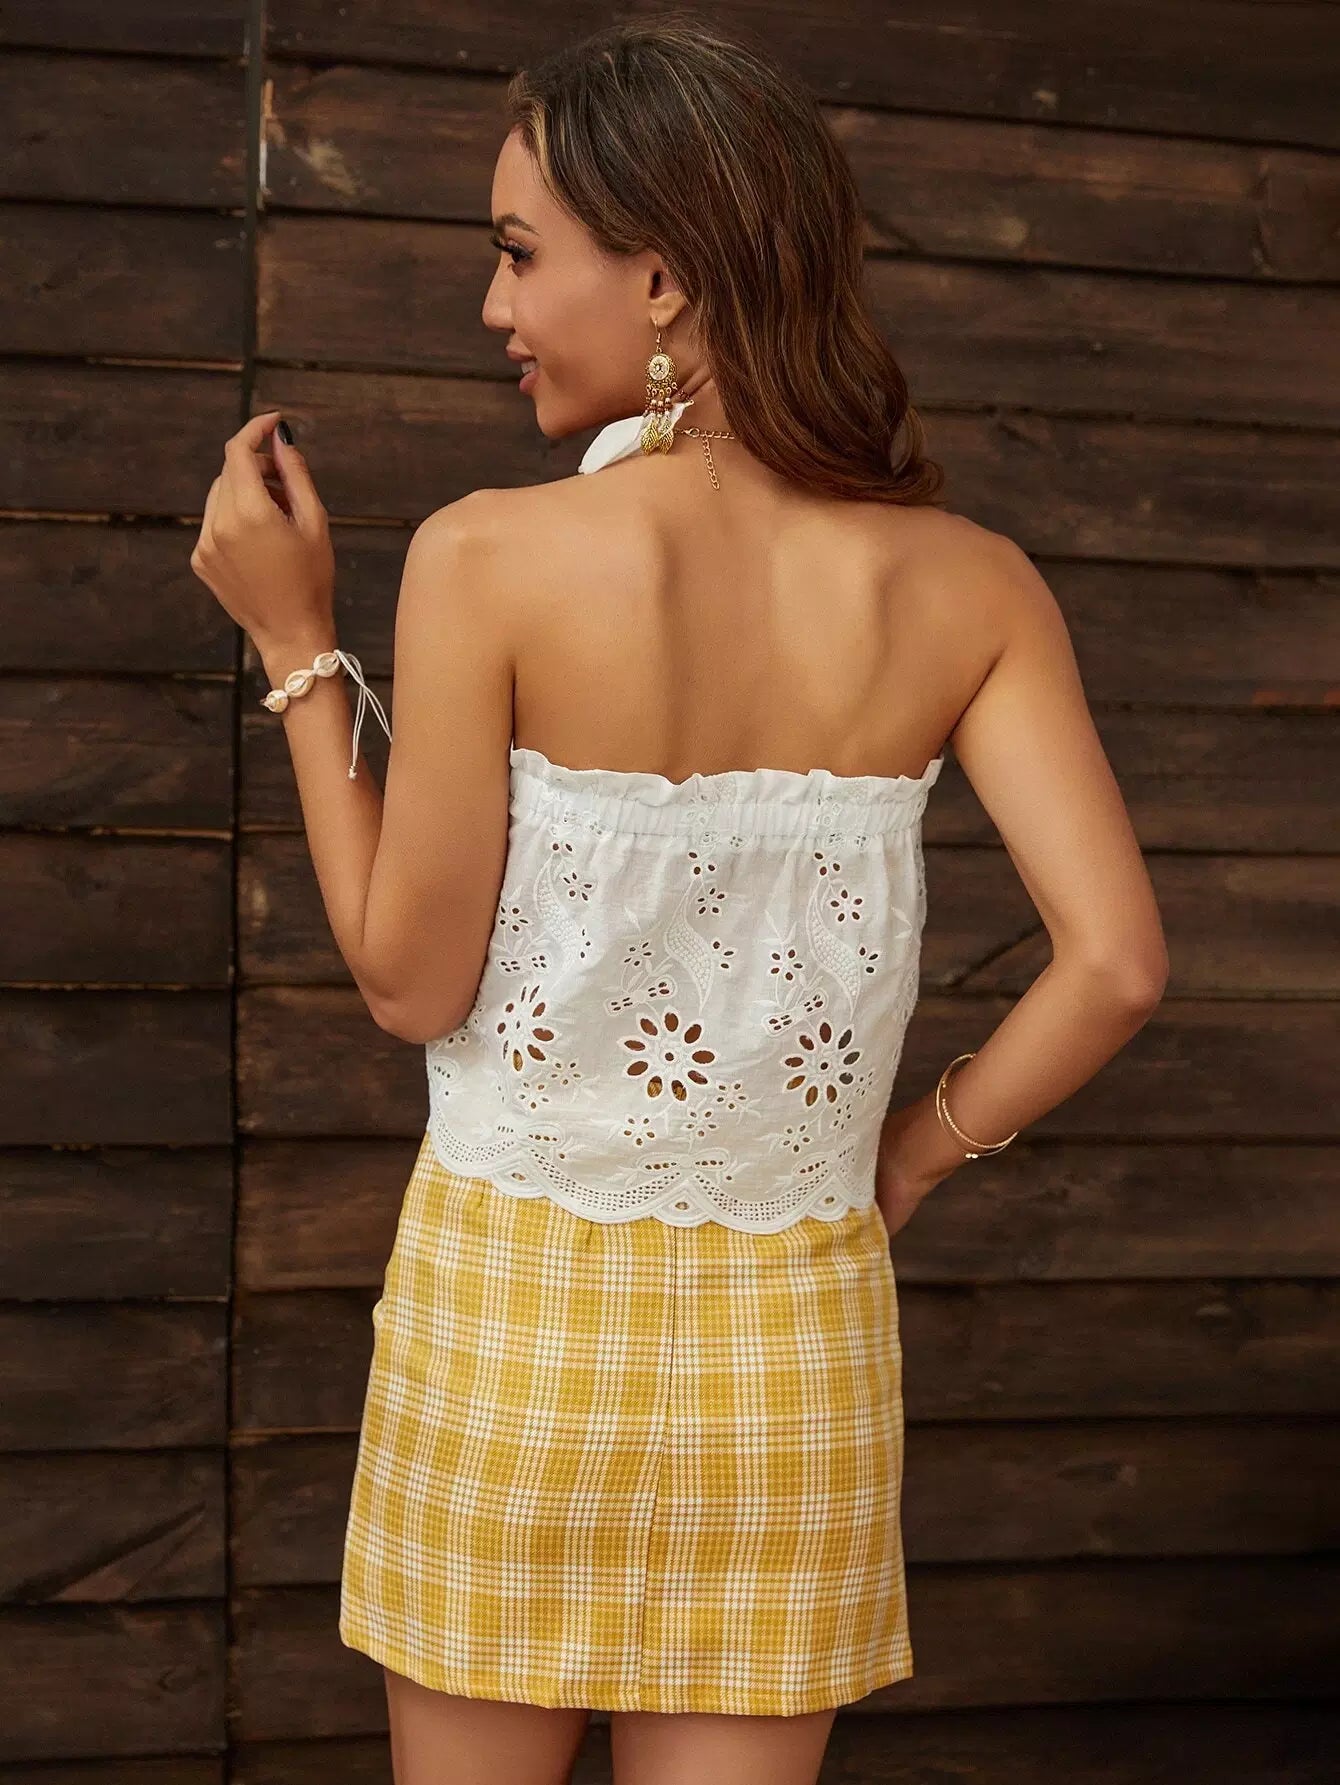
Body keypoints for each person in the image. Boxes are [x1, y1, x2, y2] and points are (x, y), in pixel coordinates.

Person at [190, 18, 1168, 1785]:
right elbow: (1112, 966)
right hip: (792, 1353)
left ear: (662, 277)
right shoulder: (972, 587)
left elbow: (410, 984)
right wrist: (906, 1158)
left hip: (508, 1337)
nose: (492, 304)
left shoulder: (489, 556)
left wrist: (295, 646)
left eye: (518, 254)